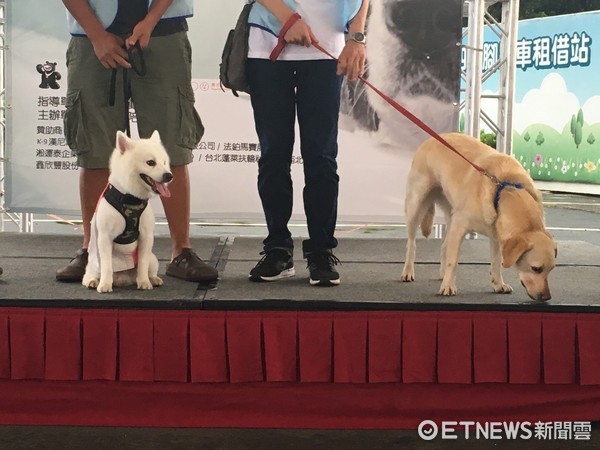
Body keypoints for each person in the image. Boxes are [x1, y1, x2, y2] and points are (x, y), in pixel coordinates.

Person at [56, 0, 219, 283]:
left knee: (170, 146)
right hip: (91, 37)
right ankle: (91, 250)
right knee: (95, 147)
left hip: (164, 33)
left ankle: (181, 250)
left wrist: (151, 19)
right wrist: (96, 35)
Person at [246, 0, 369, 286]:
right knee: (274, 154)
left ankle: (321, 251)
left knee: (321, 156)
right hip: (268, 47)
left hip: (328, 50)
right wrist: (287, 18)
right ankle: (277, 248)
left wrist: (357, 37)